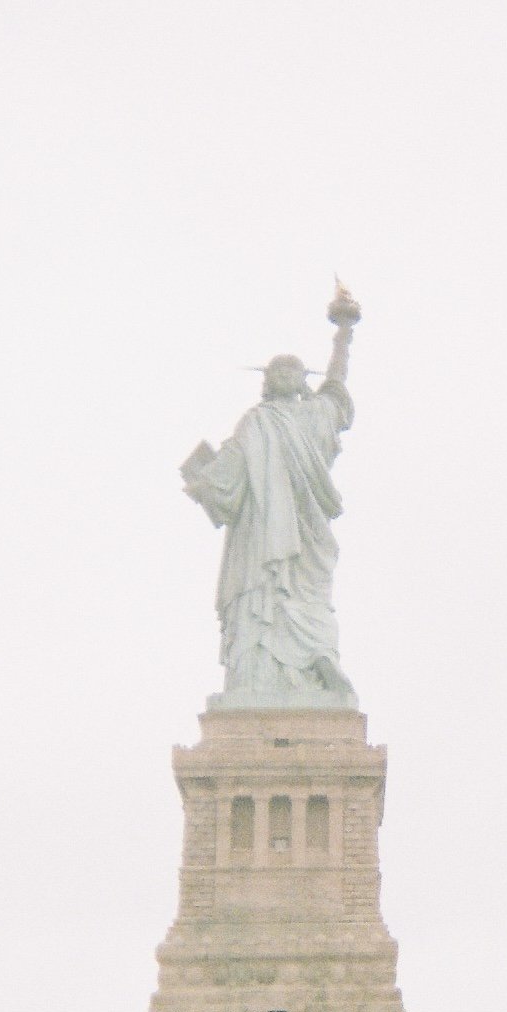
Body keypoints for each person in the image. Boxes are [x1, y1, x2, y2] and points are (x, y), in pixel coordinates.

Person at [181, 284, 362, 707]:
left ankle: (318, 659)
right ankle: (256, 677)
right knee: (263, 596)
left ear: (303, 382)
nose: (282, 375)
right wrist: (204, 481)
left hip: (305, 530)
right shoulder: (255, 422)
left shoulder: (318, 415)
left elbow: (336, 383)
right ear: (266, 384)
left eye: (291, 371)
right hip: (261, 532)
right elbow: (227, 480)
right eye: (275, 371)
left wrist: (344, 333)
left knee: (307, 598)